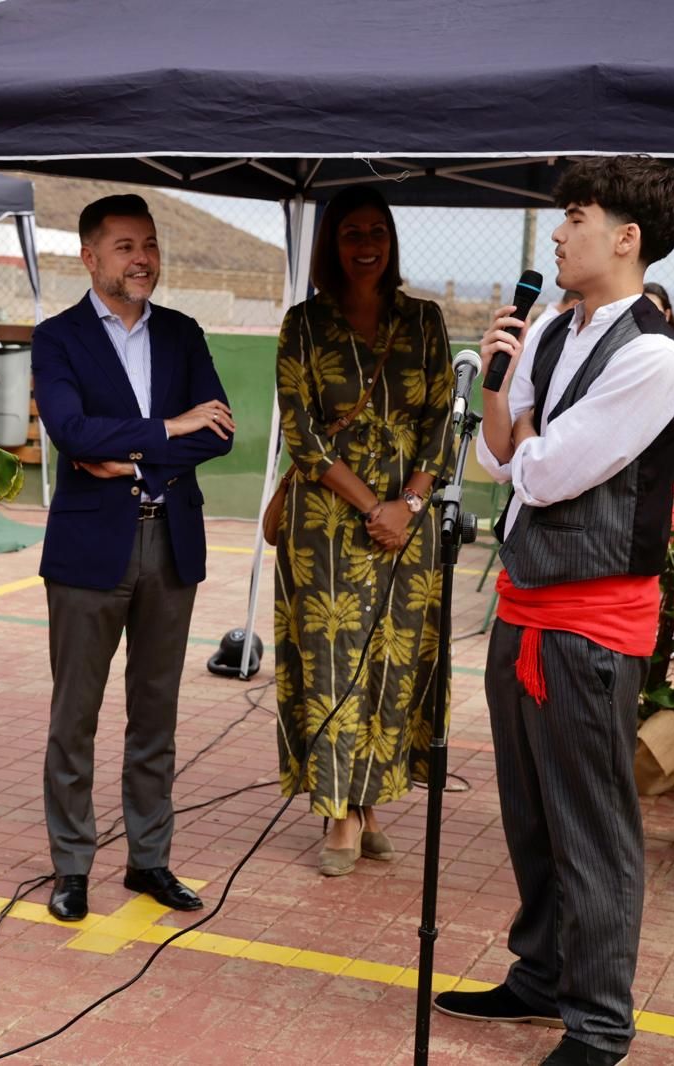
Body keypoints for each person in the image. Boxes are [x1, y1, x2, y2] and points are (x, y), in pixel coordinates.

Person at [434, 155, 674, 1066]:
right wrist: (507, 383)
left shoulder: (654, 354)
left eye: (574, 217)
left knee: (592, 823)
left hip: (590, 620)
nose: (556, 232)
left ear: (625, 238)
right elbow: (503, 457)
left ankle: (598, 1024)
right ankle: (538, 974)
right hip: (526, 601)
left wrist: (527, 441)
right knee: (531, 812)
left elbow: (544, 470)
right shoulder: (550, 331)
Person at [32, 194, 233, 923]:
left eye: (149, 244)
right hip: (90, 549)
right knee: (74, 715)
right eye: (124, 246)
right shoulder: (57, 339)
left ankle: (149, 859)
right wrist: (168, 427)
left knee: (156, 714)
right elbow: (72, 431)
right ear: (89, 257)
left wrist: (131, 446)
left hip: (170, 541)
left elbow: (219, 434)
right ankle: (72, 866)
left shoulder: (182, 333)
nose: (141, 257)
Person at [269, 184, 453, 876]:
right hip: (327, 524)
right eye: (351, 233)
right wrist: (372, 506)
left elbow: (443, 423)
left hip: (408, 525)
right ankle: (338, 810)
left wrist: (406, 503)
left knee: (391, 665)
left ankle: (372, 799)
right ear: (331, 245)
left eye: (377, 230)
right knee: (332, 662)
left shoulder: (426, 322)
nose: (366, 243)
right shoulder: (304, 325)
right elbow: (303, 436)